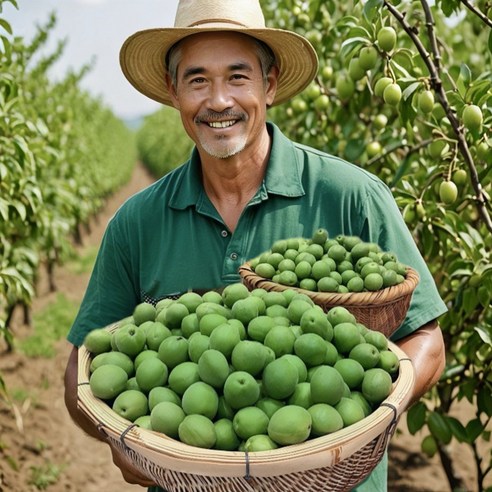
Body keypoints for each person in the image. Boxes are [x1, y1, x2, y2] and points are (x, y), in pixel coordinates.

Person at [64, 0, 447, 491]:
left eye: (238, 77)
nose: (218, 100)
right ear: (172, 90)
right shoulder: (135, 223)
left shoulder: (353, 196)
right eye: (198, 79)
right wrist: (125, 442)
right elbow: (85, 365)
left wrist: (364, 422)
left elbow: (427, 340)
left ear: (269, 84)